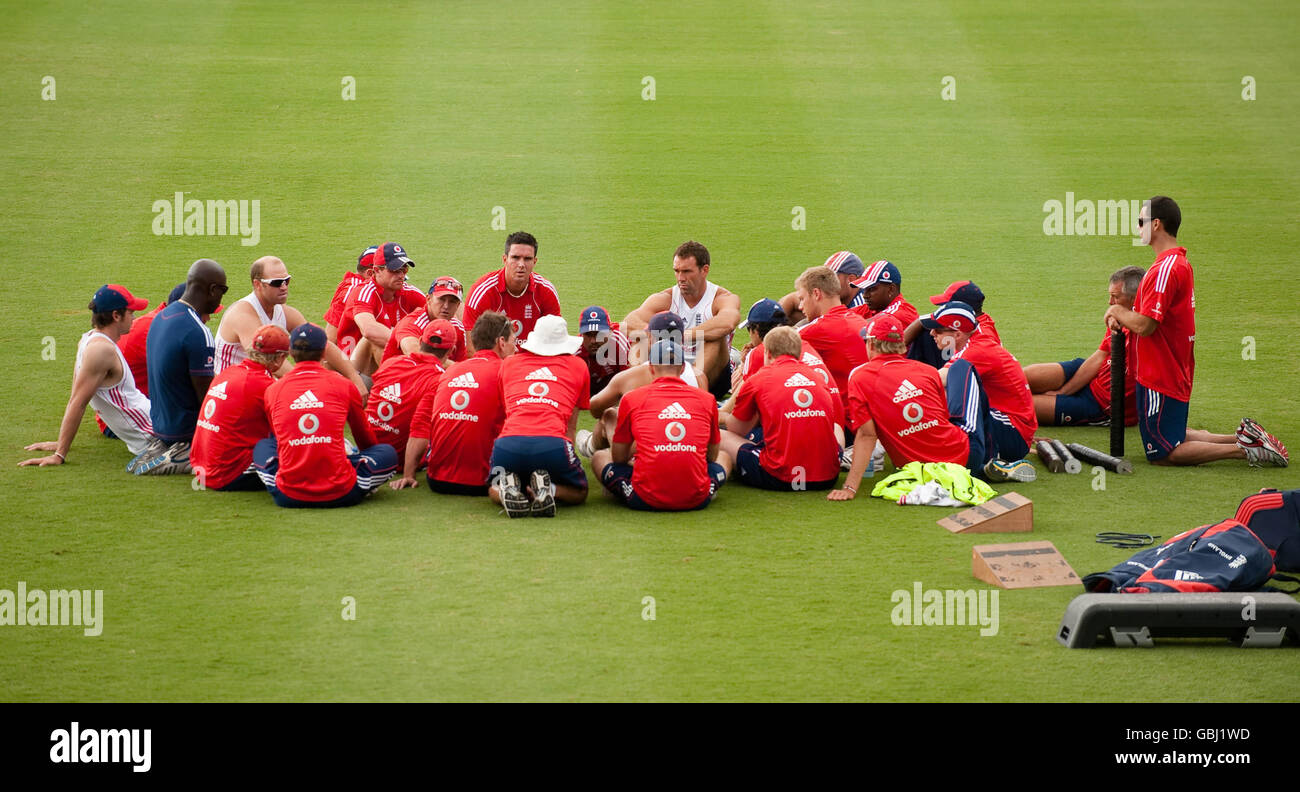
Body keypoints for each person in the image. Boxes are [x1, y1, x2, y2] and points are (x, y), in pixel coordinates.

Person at [1104, 196, 1287, 467]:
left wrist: (1118, 312)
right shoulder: (1177, 264)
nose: (1137, 227)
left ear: (1156, 224)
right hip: (1170, 369)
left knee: (1164, 454)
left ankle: (1243, 450)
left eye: (1140, 222)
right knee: (1172, 434)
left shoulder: (1165, 269)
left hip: (1160, 374)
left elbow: (1146, 325)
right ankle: (1245, 437)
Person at [828, 314, 1005, 500]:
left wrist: (850, 487)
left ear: (871, 344)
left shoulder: (859, 376)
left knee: (960, 368)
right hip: (964, 458)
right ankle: (993, 457)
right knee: (962, 367)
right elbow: (942, 417)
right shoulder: (927, 371)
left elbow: (867, 435)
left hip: (916, 470)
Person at [253, 324, 397, 507]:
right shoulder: (343, 385)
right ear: (324, 353)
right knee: (387, 454)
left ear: (290, 352)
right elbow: (365, 439)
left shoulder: (273, 391)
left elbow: (281, 441)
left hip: (287, 495)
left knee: (263, 446)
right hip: (341, 492)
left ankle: (288, 477)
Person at [20, 285, 154, 467]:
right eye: (131, 312)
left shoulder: (86, 340)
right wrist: (59, 454)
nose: (135, 317)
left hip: (154, 422)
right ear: (116, 316)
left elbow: (75, 398)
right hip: (154, 436)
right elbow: (78, 402)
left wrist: (61, 442)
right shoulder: (101, 350)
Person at [593, 339, 728, 511]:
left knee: (599, 458)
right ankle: (708, 486)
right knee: (724, 458)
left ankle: (622, 486)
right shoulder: (707, 399)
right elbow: (712, 456)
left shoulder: (632, 398)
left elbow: (619, 457)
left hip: (645, 498)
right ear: (683, 368)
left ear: (650, 368)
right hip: (697, 498)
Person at [391, 311, 515, 495]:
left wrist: (409, 474)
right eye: (514, 341)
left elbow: (420, 424)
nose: (516, 347)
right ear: (501, 343)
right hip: (482, 482)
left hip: (437, 480)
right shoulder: (506, 372)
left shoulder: (448, 371)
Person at [213, 256, 367, 395]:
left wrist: (354, 378)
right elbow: (268, 360)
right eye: (276, 283)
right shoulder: (243, 315)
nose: (284, 287)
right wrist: (307, 387)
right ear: (257, 284)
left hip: (256, 383)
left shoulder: (283, 312)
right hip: (229, 391)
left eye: (287, 280)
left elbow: (322, 343)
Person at [131, 259, 228, 475]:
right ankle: (188, 452)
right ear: (213, 290)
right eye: (223, 290)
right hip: (186, 431)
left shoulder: (161, 318)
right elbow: (206, 399)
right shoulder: (197, 331)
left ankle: (167, 447)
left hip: (160, 426)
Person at [489, 314, 591, 517]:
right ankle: (548, 489)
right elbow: (570, 426)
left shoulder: (508, 364)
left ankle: (506, 490)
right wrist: (567, 462)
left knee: (493, 486)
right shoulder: (578, 366)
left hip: (508, 444)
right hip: (553, 445)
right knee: (580, 492)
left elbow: (507, 412)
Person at [720, 327, 843, 491]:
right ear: (798, 354)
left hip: (781, 477)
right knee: (835, 427)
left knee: (719, 435)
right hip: (827, 477)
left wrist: (718, 415)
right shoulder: (818, 377)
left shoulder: (759, 379)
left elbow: (737, 429)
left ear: (768, 353)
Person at [928, 301, 1038, 481]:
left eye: (938, 330)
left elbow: (936, 381)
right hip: (1011, 426)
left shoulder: (976, 351)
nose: (932, 333)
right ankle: (989, 465)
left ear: (957, 333)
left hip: (1013, 434)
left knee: (952, 404)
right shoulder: (975, 340)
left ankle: (986, 465)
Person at [1023, 266, 1142, 427]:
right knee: (1022, 377)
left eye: (1115, 297)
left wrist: (1061, 395)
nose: (1110, 302)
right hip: (1094, 373)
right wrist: (1063, 392)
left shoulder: (1147, 328)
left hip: (1102, 404)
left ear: (1134, 298)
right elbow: (1101, 355)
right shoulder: (1120, 315)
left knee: (1021, 405)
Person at [576, 312, 706, 458]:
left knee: (609, 416)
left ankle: (594, 447)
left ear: (650, 337)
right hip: (687, 450)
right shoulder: (699, 376)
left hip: (646, 452)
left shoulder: (630, 377)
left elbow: (595, 408)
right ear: (682, 339)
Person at [623, 240, 740, 398]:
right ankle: (638, 393)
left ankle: (693, 393)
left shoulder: (722, 297)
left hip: (712, 376)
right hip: (672, 364)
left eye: (686, 271)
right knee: (640, 338)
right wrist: (651, 334)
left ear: (704, 270)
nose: (680, 278)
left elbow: (728, 322)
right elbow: (630, 321)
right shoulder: (666, 297)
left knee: (714, 337)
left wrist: (679, 335)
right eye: (677, 271)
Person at [191, 324, 290, 491]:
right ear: (280, 357)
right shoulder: (264, 385)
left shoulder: (228, 372)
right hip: (226, 474)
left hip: (200, 466)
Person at [364, 318, 455, 463]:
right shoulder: (440, 380)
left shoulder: (390, 363)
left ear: (420, 341)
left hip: (366, 446)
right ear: (451, 351)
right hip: (400, 458)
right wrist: (408, 474)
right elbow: (420, 427)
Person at [462, 231, 561, 348]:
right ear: (505, 259)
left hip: (531, 361)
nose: (521, 264)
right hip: (496, 362)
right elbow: (471, 348)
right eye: (515, 258)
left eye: (527, 259)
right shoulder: (483, 292)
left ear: (534, 262)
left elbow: (556, 339)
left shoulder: (546, 291)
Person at [344, 242, 428, 376]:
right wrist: (407, 341)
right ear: (377, 270)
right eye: (394, 270)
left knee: (441, 301)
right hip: (353, 369)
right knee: (374, 341)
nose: (401, 275)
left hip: (392, 360)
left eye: (404, 269)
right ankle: (394, 389)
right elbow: (369, 330)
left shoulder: (409, 292)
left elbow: (439, 313)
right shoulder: (363, 292)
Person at [794, 265, 867, 415]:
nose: (801, 306)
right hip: (866, 413)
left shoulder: (817, 330)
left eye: (802, 299)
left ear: (816, 294)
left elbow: (767, 351)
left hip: (842, 419)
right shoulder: (859, 321)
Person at [905, 281, 999, 368]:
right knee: (927, 330)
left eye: (946, 306)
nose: (943, 308)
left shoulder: (983, 337)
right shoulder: (972, 321)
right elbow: (922, 322)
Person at [381, 275, 467, 364]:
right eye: (441, 299)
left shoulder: (458, 328)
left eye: (452, 301)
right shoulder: (412, 322)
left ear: (457, 306)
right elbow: (414, 353)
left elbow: (462, 361)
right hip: (399, 374)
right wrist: (455, 368)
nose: (446, 306)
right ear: (428, 299)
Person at [778, 251, 868, 322]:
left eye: (832, 277)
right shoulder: (833, 295)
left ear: (852, 279)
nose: (825, 282)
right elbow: (791, 299)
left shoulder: (861, 305)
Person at [324, 245, 377, 347]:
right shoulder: (351, 292)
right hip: (349, 358)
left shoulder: (360, 287)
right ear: (370, 274)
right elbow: (331, 339)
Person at [576, 305, 629, 395]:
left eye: (598, 334)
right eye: (588, 335)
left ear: (610, 331)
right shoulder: (576, 351)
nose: (593, 341)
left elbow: (629, 382)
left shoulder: (620, 343)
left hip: (615, 390)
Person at [849, 260, 918, 327]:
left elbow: (863, 327)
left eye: (871, 289)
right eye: (864, 289)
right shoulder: (871, 308)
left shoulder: (903, 313)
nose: (865, 295)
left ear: (891, 289)